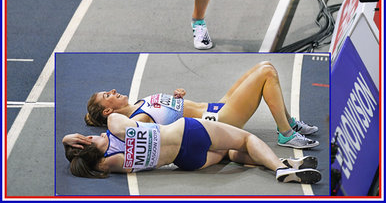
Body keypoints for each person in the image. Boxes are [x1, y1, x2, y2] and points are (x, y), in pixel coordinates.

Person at [84, 62, 319, 149]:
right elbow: (129, 132)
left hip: (217, 106)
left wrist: (177, 97)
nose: (113, 91)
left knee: (264, 65)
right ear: (108, 111)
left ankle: (288, 123)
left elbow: (170, 111)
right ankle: (286, 134)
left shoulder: (139, 102)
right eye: (108, 95)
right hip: (219, 120)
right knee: (267, 73)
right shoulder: (139, 118)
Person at [63, 112, 322, 185]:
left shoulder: (107, 163)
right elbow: (129, 123)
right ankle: (279, 166)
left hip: (187, 161)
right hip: (188, 131)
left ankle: (289, 166)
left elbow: (88, 161)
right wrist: (68, 139)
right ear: (82, 142)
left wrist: (79, 149)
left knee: (229, 153)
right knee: (244, 140)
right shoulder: (113, 123)